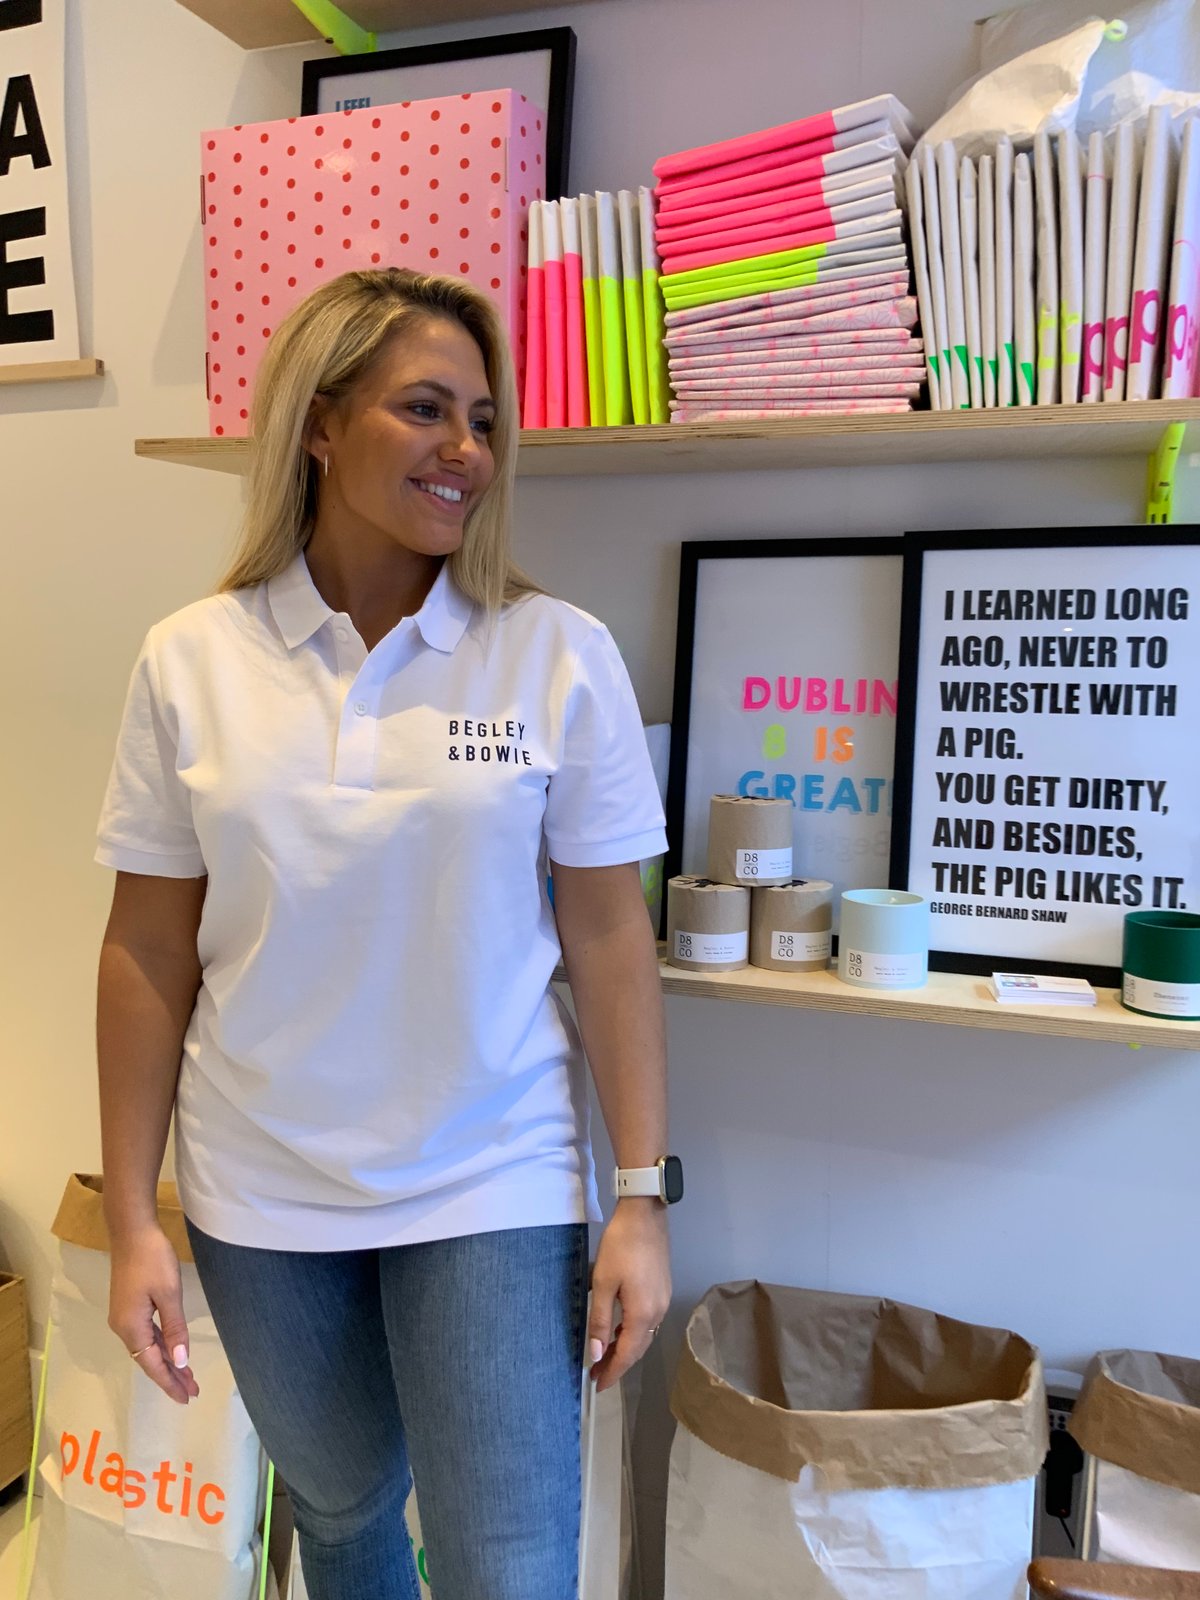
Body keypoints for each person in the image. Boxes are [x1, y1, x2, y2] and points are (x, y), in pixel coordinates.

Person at [94, 267, 679, 1600]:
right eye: (425, 408)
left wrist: (641, 1199)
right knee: (345, 1516)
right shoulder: (191, 660)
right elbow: (146, 953)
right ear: (318, 422)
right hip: (257, 1184)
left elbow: (609, 937)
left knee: (507, 1565)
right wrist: (135, 1219)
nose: (466, 448)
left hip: (491, 1171)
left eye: (484, 419)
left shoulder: (554, 653)